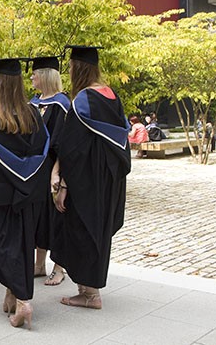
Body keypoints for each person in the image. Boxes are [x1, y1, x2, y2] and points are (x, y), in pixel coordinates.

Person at [0, 58, 51, 330]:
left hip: (0, 196)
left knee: (5, 246)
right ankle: (12, 293)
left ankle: (24, 302)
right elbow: (41, 155)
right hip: (29, 196)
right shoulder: (33, 114)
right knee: (22, 244)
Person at [52, 45, 131, 310]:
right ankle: (89, 290)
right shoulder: (112, 95)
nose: (71, 71)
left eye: (72, 67)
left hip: (86, 179)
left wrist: (63, 183)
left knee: (81, 229)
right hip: (109, 178)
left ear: (79, 68)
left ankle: (90, 294)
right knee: (97, 231)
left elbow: (71, 146)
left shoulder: (83, 99)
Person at [28, 56, 71, 287]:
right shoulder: (34, 102)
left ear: (45, 75)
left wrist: (57, 172)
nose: (32, 77)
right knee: (40, 217)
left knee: (56, 217)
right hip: (35, 168)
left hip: (54, 167)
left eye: (35, 73)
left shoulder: (62, 104)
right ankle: (38, 264)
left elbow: (65, 143)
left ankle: (59, 267)